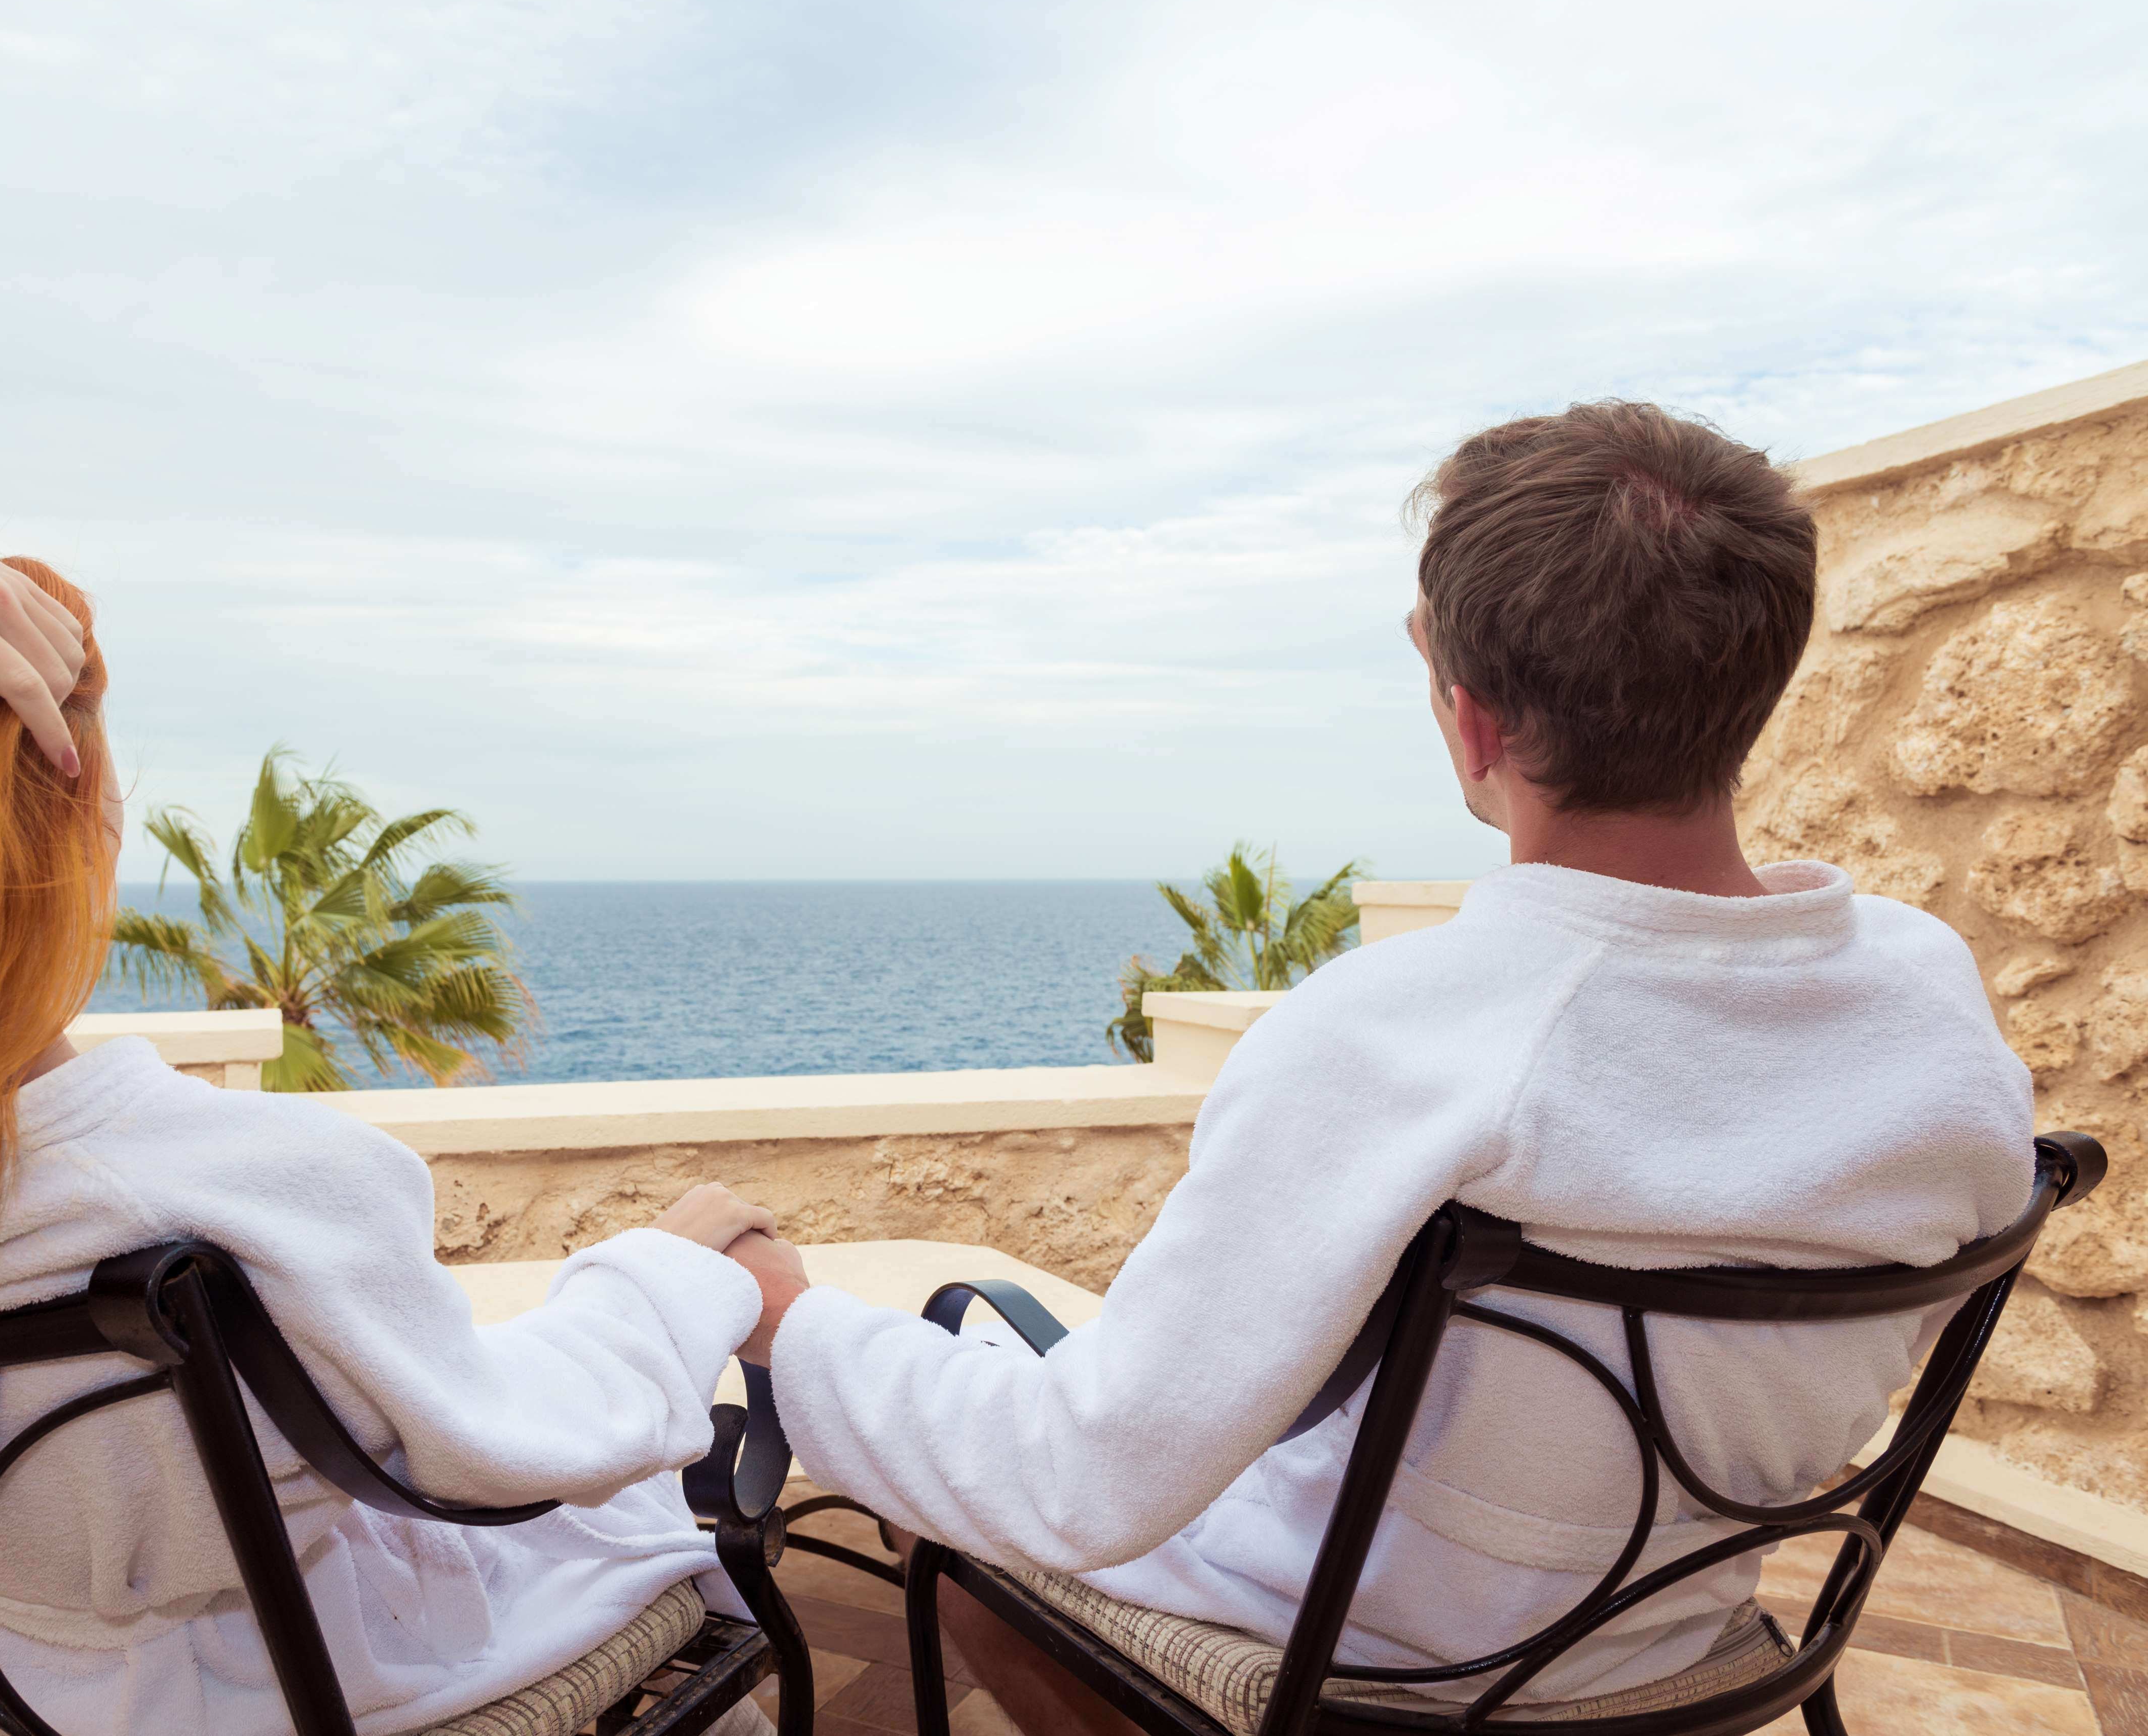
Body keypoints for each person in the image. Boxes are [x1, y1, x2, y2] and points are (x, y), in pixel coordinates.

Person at [725, 402, 2037, 1732]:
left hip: (1377, 1670)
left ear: (1473, 724)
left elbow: (1085, 1477)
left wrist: (789, 1314)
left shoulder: (1397, 1036)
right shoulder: (1926, 1007)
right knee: (988, 1358)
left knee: (948, 1509)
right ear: (1758, 678)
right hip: (1675, 1632)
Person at [0, 503, 779, 1736]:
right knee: (679, 1539)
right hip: (299, 1685)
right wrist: (661, 1279)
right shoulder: (252, 1183)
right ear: (75, 831)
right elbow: (505, 1449)